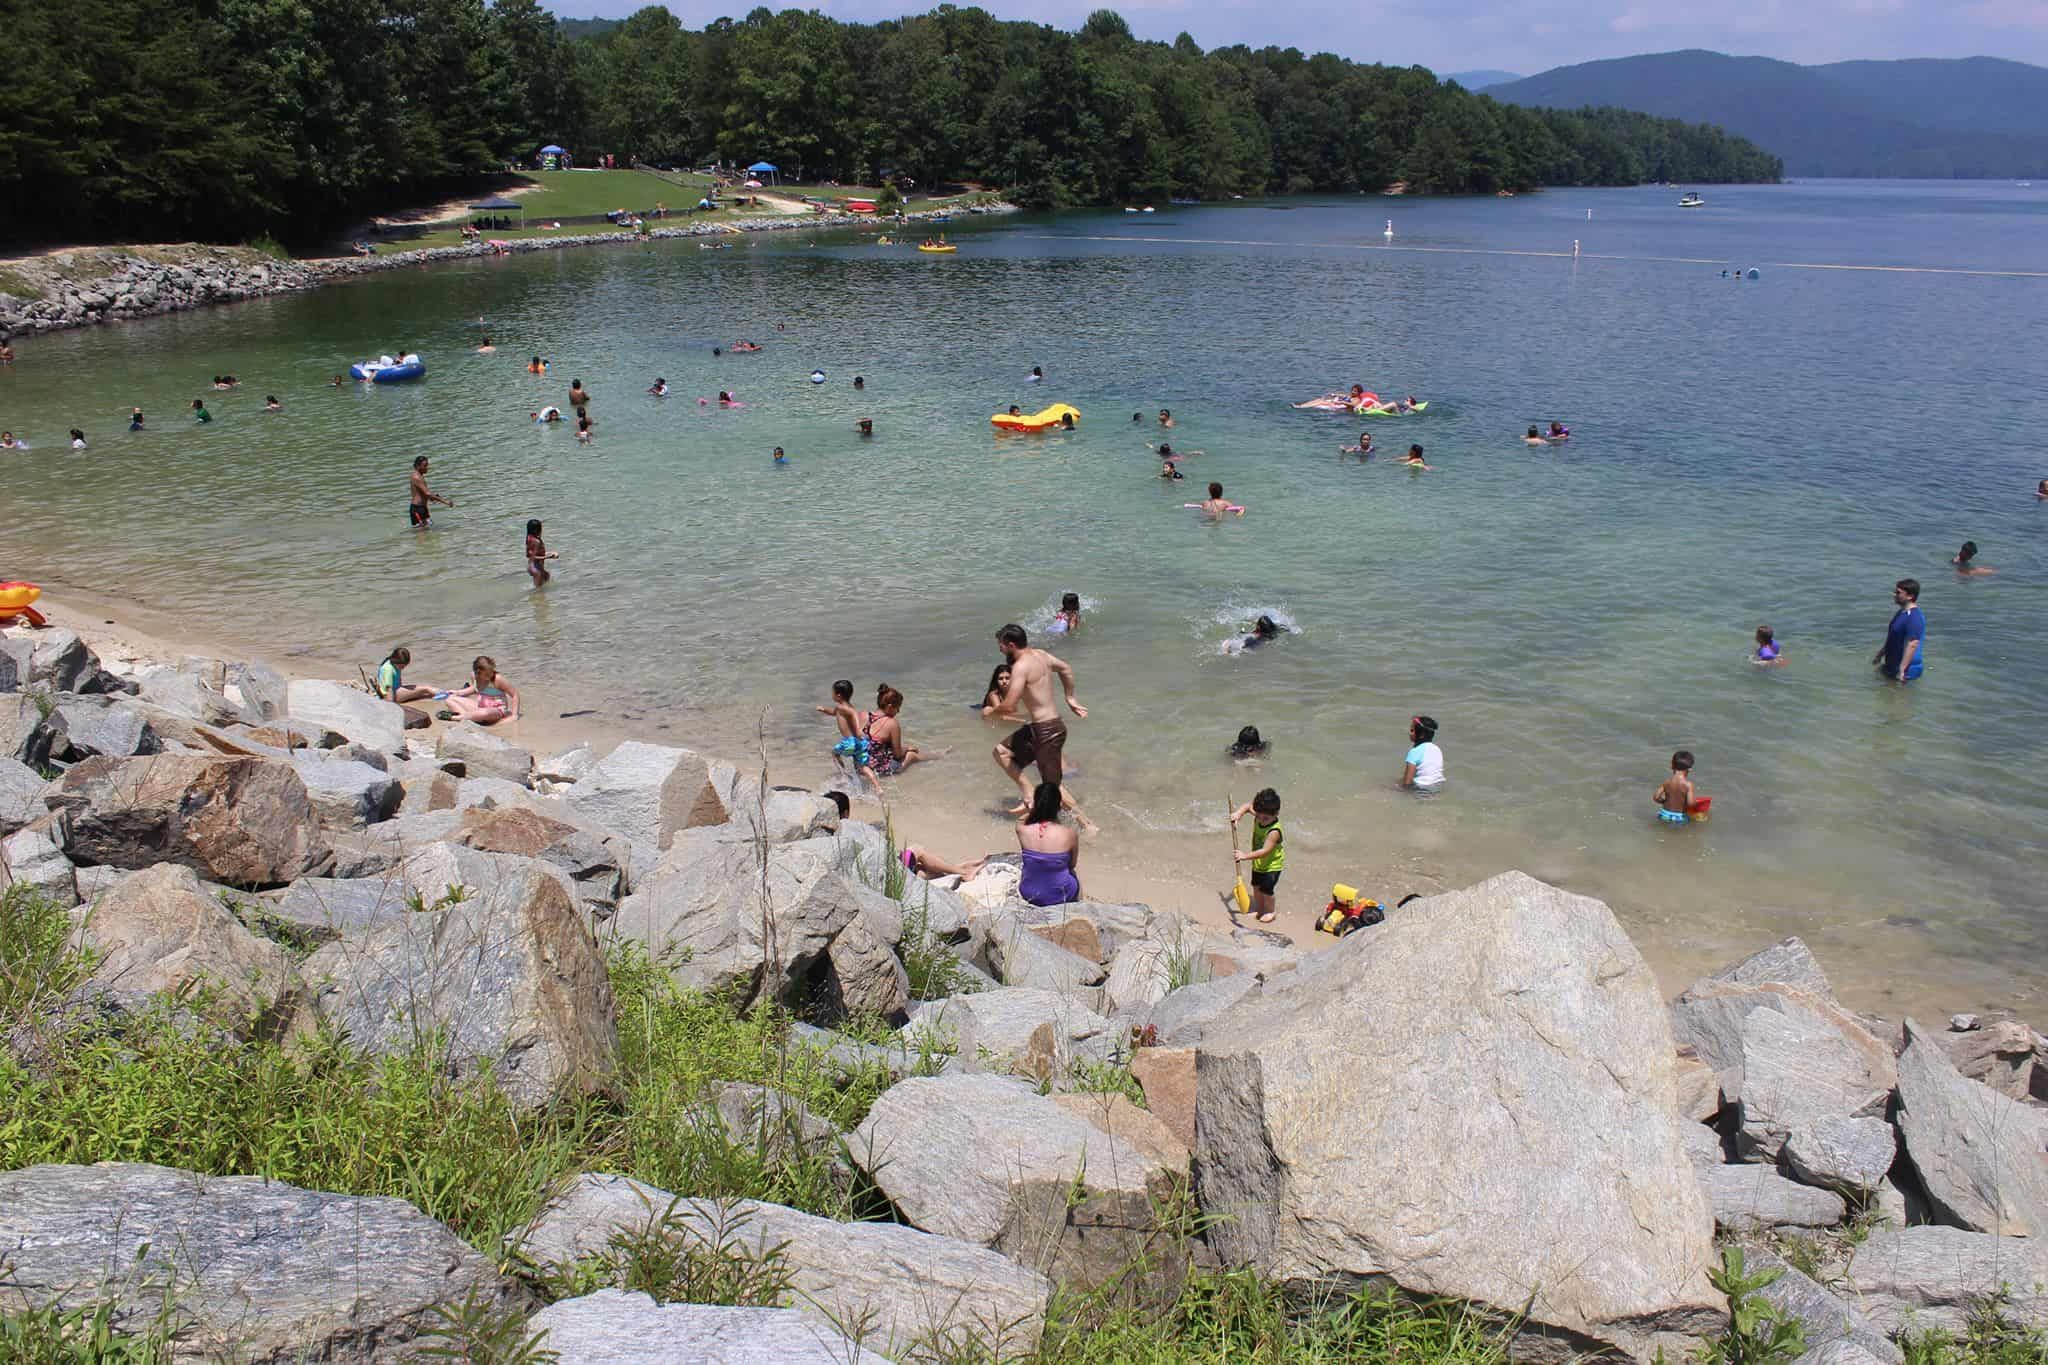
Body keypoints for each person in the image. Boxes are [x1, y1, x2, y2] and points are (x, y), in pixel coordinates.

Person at [992, 623, 1086, 805]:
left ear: (1011, 645)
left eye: (1001, 646)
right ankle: (1029, 793)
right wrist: (1070, 697)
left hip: (1047, 731)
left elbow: (1009, 706)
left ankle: (1083, 820)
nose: (1000, 650)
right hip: (1041, 727)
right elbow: (1065, 668)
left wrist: (991, 713)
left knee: (1052, 788)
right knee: (1001, 752)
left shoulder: (1020, 667)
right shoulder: (1042, 655)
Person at [1016, 782, 1082, 907]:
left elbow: (1022, 819)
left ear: (1036, 804)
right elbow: (1072, 865)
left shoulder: (1022, 830)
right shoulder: (1070, 834)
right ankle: (1076, 907)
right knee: (1072, 873)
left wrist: (1032, 809)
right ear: (1059, 805)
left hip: (1028, 893)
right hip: (1060, 896)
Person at [1229, 788, 1284, 923]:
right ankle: (1260, 909)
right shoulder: (1261, 814)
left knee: (1266, 890)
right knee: (1256, 886)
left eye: (1265, 818)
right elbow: (1248, 806)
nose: (1261, 820)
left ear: (1276, 814)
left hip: (1272, 865)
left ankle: (1270, 911)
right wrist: (1238, 814)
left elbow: (1264, 851)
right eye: (1258, 816)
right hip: (1258, 863)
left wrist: (1244, 856)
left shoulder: (1274, 831)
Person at [861, 685, 927, 777]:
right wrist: (907, 748)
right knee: (912, 755)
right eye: (897, 708)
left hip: (861, 767)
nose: (898, 711)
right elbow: (898, 755)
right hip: (878, 770)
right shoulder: (892, 723)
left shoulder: (864, 715)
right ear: (890, 707)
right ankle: (939, 756)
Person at [1873, 578, 1926, 682]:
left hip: (1907, 669)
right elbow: (1893, 636)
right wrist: (1880, 654)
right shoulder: (1901, 612)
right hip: (1892, 664)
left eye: (1898, 593)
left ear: (1910, 596)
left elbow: (1913, 643)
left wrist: (1902, 669)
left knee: (1901, 692)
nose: (1894, 595)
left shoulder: (1914, 616)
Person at [443, 655, 518, 725]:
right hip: (480, 707)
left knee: (484, 713)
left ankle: (456, 718)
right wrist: (458, 693)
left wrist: (514, 715)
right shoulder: (475, 677)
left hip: (496, 711)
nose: (490, 675)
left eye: (491, 672)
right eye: (487, 674)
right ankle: (467, 718)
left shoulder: (497, 679)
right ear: (478, 673)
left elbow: (515, 694)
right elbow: (474, 689)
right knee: (449, 699)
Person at [1654, 751, 1701, 825]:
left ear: (1672, 765)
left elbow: (1656, 797)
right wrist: (1697, 802)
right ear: (1690, 769)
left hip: (1664, 815)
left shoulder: (1667, 782)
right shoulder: (1688, 785)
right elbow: (1690, 803)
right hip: (1679, 818)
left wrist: (1663, 801)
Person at [1400, 715, 1445, 791]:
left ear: (1421, 735)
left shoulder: (1414, 752)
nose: (1409, 733)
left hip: (1422, 789)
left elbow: (1407, 782)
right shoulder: (1437, 749)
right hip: (1438, 786)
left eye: (1412, 730)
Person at [900, 844, 988, 882]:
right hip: (898, 873)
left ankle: (959, 870)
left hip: (898, 876)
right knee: (916, 849)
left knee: (919, 871)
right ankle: (963, 871)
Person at [409, 455, 452, 527]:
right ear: (418, 466)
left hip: (422, 508)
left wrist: (432, 498)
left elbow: (423, 493)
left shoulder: (419, 475)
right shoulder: (416, 477)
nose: (427, 467)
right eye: (425, 465)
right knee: (422, 532)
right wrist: (445, 502)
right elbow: (427, 493)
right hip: (417, 509)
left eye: (427, 465)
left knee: (427, 530)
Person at [526, 519, 558, 586]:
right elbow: (532, 557)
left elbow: (529, 555)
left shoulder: (529, 538)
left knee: (547, 576)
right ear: (536, 530)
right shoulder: (536, 542)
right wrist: (548, 556)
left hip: (533, 566)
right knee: (539, 589)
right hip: (535, 568)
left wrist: (551, 553)